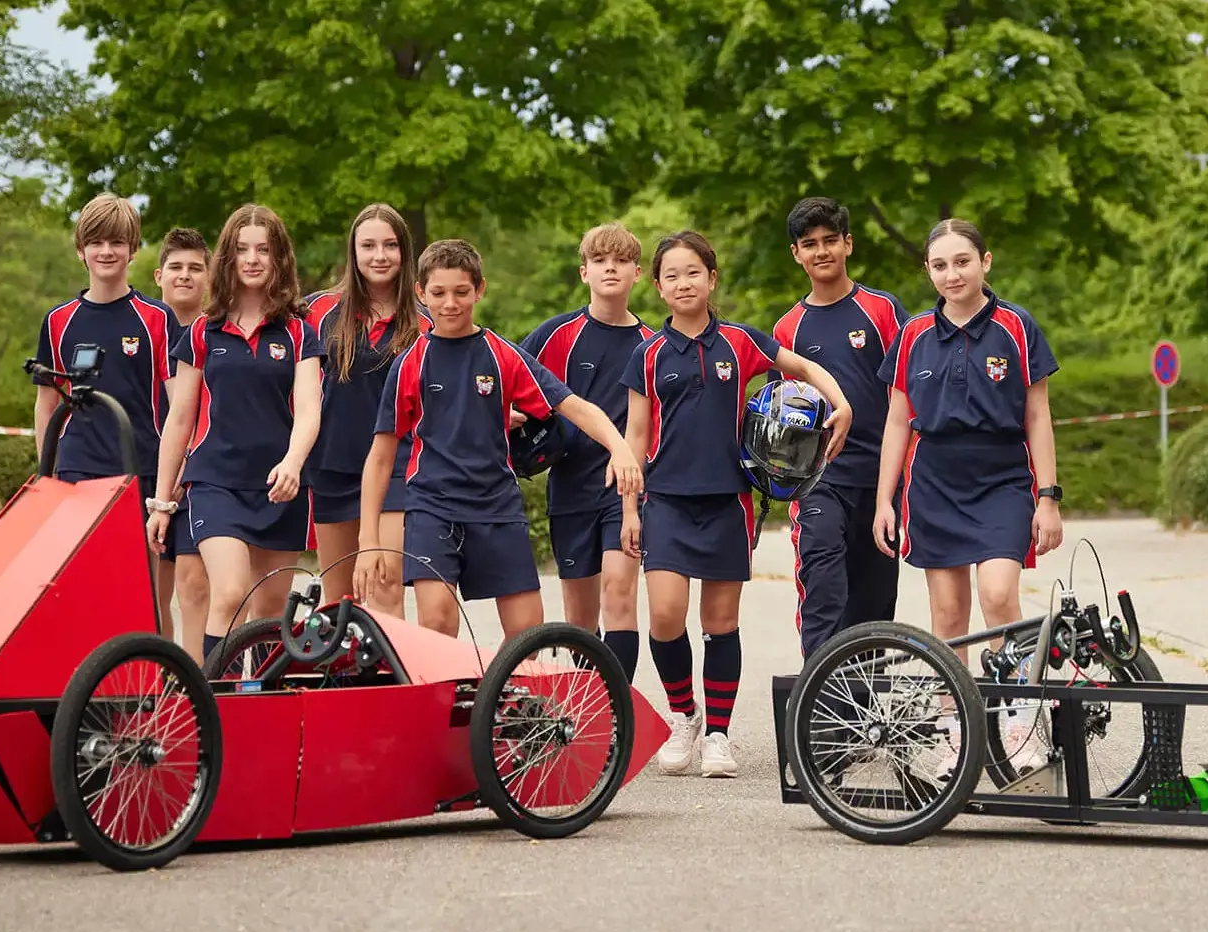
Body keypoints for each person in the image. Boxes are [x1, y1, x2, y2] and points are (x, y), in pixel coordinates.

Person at [619, 230, 852, 778]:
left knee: (721, 623)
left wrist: (840, 404)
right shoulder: (647, 354)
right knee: (666, 616)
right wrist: (630, 509)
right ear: (657, 286)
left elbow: (804, 370)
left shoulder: (739, 343)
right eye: (672, 275)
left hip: (729, 501)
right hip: (667, 502)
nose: (683, 283)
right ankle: (685, 715)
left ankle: (719, 735)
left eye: (693, 272)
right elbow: (633, 436)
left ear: (712, 278)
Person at [354, 239, 642, 642]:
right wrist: (368, 540)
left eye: (461, 292)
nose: (450, 303)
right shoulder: (410, 363)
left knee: (528, 632)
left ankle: (499, 704)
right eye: (438, 293)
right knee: (436, 623)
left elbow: (575, 407)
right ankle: (449, 703)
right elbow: (381, 458)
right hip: (432, 506)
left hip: (496, 505)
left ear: (480, 290)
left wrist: (621, 447)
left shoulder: (502, 354)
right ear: (421, 293)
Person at [874, 218, 1064, 660]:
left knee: (998, 597)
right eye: (939, 265)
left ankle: (1016, 709)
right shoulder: (913, 335)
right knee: (948, 614)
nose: (952, 274)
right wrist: (885, 500)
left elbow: (1038, 417)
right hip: (933, 486)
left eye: (962, 262)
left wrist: (1049, 498)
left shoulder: (1017, 326)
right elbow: (897, 423)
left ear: (986, 262)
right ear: (928, 270)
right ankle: (954, 719)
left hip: (1002, 481)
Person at [147, 204, 322, 664]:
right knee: (229, 593)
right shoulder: (204, 331)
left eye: (264, 249)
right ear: (228, 258)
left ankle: (260, 718)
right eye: (242, 249)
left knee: (267, 616)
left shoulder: (301, 333)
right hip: (214, 483)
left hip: (279, 488)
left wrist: (292, 462)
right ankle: (210, 703)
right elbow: (179, 420)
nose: (253, 259)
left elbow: (309, 410)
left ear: (280, 259)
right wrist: (163, 501)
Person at [33, 194, 181, 633]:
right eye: (96, 242)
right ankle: (84, 696)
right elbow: (46, 404)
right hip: (78, 472)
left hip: (143, 471)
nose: (106, 251)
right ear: (81, 249)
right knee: (81, 593)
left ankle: (152, 692)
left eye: (117, 242)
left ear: (133, 249)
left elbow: (179, 408)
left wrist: (170, 486)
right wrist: (45, 476)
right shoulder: (59, 320)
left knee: (146, 600)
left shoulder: (156, 318)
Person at [771, 198, 908, 658]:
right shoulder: (788, 328)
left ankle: (861, 717)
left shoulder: (883, 311)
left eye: (831, 240)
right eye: (809, 244)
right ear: (796, 253)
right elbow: (779, 414)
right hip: (818, 481)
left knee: (873, 605)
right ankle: (819, 709)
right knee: (824, 585)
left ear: (848, 244)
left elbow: (908, 395)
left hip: (880, 480)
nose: (821, 251)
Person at [519, 223, 654, 681]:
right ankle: (591, 707)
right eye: (600, 261)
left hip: (626, 492)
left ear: (637, 273)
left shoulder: (652, 345)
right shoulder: (556, 335)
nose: (610, 268)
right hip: (570, 486)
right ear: (584, 272)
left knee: (619, 595)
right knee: (579, 617)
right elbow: (510, 388)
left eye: (620, 261)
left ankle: (619, 714)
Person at [304, 204, 424, 614]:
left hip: (398, 472)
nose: (380, 255)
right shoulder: (317, 312)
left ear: (405, 252)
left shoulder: (425, 322)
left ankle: (399, 679)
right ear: (353, 252)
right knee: (339, 603)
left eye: (390, 245)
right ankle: (348, 681)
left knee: (387, 586)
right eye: (368, 245)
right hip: (333, 468)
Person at [151, 227, 212, 661]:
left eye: (195, 268)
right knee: (153, 598)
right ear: (159, 276)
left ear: (210, 276)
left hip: (199, 479)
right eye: (176, 267)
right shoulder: (144, 328)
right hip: (151, 476)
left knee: (198, 590)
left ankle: (201, 679)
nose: (185, 276)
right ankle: (159, 683)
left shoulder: (219, 333)